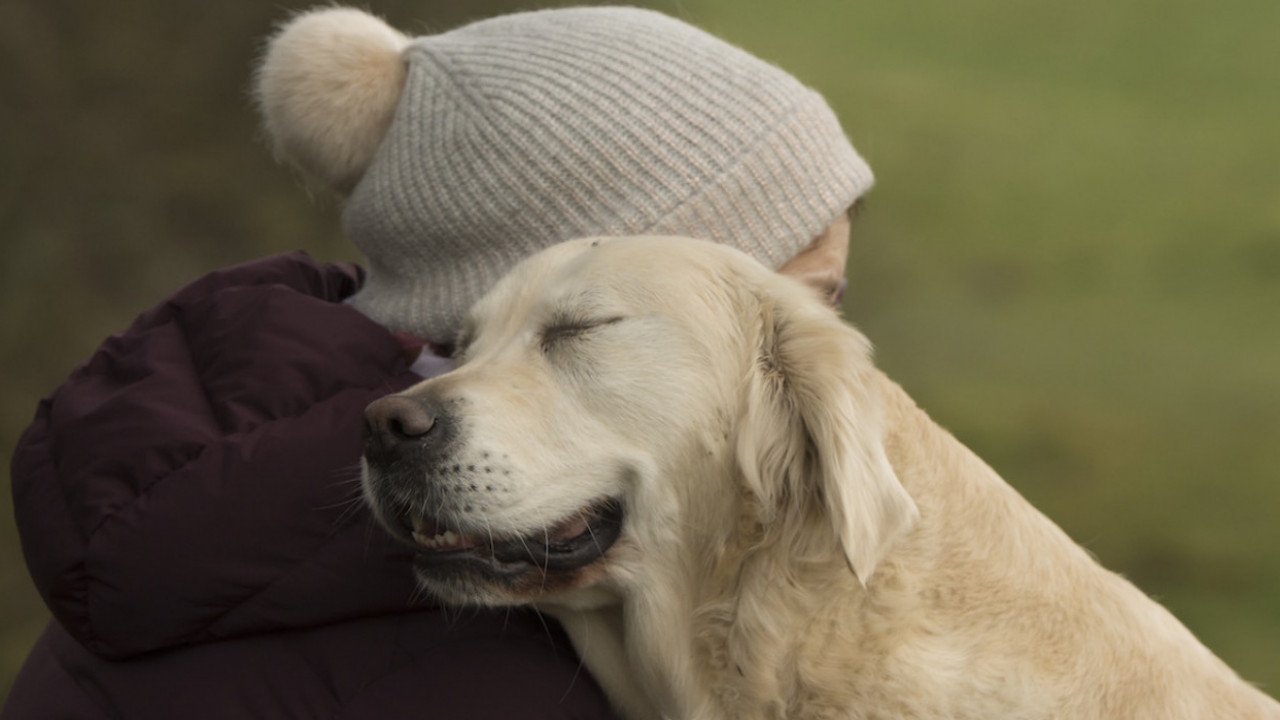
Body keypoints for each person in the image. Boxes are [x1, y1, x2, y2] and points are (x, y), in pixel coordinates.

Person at [3, 5, 874, 718]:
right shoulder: (496, 641)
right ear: (580, 295)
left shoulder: (240, 464)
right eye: (810, 301)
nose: (833, 352)